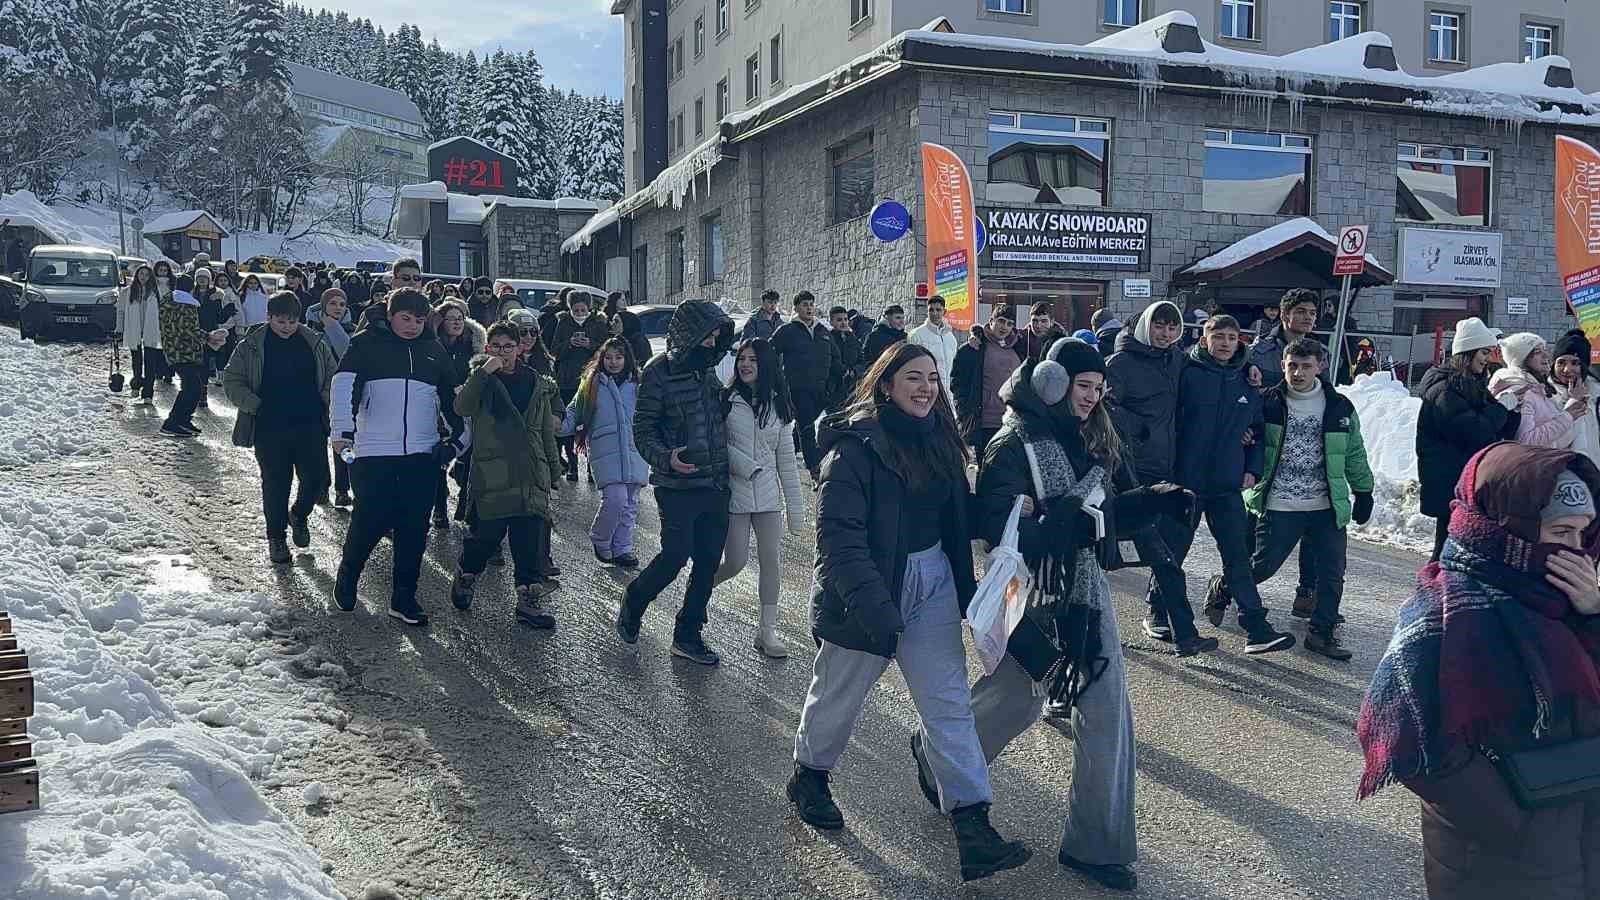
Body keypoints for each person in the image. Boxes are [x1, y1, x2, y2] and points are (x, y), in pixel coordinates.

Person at [954, 339, 1194, 892]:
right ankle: (937, 759)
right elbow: (1003, 529)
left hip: (1085, 596)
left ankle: (1095, 845)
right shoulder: (1011, 444)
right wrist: (1065, 522)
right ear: (1052, 383)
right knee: (1013, 698)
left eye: (1097, 389)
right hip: (1034, 594)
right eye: (1082, 387)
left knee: (1106, 710)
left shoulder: (1088, 440)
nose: (1090, 398)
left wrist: (1154, 499)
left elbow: (1098, 519)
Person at [787, 342, 1031, 883]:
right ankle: (810, 777)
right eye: (914, 378)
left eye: (933, 379)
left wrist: (1013, 511)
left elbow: (957, 519)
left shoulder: (941, 442)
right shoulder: (852, 451)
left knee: (948, 706)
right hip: (866, 591)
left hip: (933, 584)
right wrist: (878, 611)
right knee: (838, 696)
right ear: (886, 385)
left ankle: (973, 826)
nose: (926, 388)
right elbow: (839, 542)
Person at [1357, 441, 1600, 900]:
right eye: (1561, 531)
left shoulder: (1569, 600)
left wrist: (1593, 616)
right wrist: (1517, 823)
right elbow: (1406, 741)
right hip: (1500, 859)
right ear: (1508, 530)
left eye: (1583, 534)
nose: (1578, 551)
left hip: (1584, 836)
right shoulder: (1444, 611)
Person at [1207, 338, 1375, 660]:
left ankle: (1321, 633)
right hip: (1280, 502)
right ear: (1283, 365)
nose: (1298, 373)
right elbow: (1241, 432)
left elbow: (1353, 453)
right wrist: (1243, 438)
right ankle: (1225, 585)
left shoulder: (1339, 407)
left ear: (1320, 367)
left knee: (1331, 573)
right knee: (1262, 566)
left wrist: (1363, 490)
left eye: (1306, 366)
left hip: (1325, 505)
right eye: (1292, 366)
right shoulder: (1267, 402)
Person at [330, 286, 464, 626]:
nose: (411, 326)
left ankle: (403, 598)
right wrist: (342, 433)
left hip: (421, 453)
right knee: (369, 521)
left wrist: (456, 444)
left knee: (413, 529)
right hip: (373, 451)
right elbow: (343, 385)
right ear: (390, 316)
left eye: (419, 320)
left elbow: (457, 402)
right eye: (405, 318)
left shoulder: (433, 351)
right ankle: (348, 575)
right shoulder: (365, 344)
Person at [615, 300, 735, 664]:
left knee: (708, 561)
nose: (714, 344)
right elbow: (643, 429)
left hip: (715, 482)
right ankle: (635, 599)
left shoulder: (708, 372)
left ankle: (688, 634)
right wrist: (667, 458)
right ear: (691, 335)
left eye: (718, 337)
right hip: (677, 486)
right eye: (709, 336)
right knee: (674, 556)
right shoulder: (658, 372)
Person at [1179, 315, 1296, 653]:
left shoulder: (1247, 380)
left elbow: (1257, 431)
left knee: (1237, 556)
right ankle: (1160, 611)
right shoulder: (1188, 373)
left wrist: (1253, 468)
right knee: (1175, 551)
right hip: (1186, 482)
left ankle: (1256, 626)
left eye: (1232, 337)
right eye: (1218, 336)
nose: (1225, 343)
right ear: (1204, 340)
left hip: (1227, 483)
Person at [1105, 300, 1215, 656]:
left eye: (1172, 328)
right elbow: (1104, 405)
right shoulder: (1121, 362)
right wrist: (1140, 428)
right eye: (1159, 327)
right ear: (1145, 327)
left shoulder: (1176, 360)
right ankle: (1176, 631)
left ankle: (1182, 633)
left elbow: (1209, 365)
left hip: (1166, 468)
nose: (1165, 334)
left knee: (1166, 554)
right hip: (1132, 473)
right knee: (1153, 555)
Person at [447, 322, 563, 628]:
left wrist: (553, 470)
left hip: (530, 470)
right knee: (486, 537)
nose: (503, 352)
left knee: (530, 539)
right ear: (488, 349)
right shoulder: (481, 380)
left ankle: (528, 600)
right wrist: (484, 371)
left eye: (508, 346)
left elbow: (543, 431)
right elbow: (461, 407)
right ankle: (467, 574)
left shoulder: (534, 381)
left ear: (519, 348)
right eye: (496, 346)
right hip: (494, 471)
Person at [222, 291, 338, 565]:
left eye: (292, 321)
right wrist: (256, 405)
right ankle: (276, 537)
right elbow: (232, 380)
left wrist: (327, 401)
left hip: (310, 422)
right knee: (276, 482)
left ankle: (298, 514)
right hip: (269, 425)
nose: (287, 327)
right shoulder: (252, 345)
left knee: (316, 478)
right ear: (269, 317)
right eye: (281, 321)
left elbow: (333, 375)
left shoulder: (314, 342)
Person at [712, 338, 806, 658]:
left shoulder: (779, 406)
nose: (745, 364)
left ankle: (767, 632)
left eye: (752, 359)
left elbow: (786, 462)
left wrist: (796, 512)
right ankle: (698, 594)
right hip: (735, 495)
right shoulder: (725, 400)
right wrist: (744, 466)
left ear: (765, 365)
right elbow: (716, 446)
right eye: (741, 358)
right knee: (735, 562)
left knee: (771, 562)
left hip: (768, 499)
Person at [1417, 317, 1522, 562]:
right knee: (1447, 548)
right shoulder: (1444, 389)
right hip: (1449, 481)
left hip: (1465, 478)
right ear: (1467, 353)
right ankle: (1432, 593)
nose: (1488, 358)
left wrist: (1513, 411)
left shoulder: (1472, 384)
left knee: (1456, 547)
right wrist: (1501, 409)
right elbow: (1474, 431)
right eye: (1484, 352)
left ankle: (1441, 591)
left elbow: (1496, 428)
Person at [562, 337, 648, 568]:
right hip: (605, 449)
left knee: (629, 504)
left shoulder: (639, 384)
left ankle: (622, 549)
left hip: (634, 450)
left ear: (627, 358)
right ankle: (601, 538)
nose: (613, 362)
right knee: (615, 499)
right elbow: (574, 412)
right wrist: (557, 424)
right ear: (601, 358)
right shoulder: (591, 385)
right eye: (608, 357)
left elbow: (653, 414)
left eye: (618, 357)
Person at [771, 290, 841, 482]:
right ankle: (815, 469)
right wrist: (778, 380)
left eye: (811, 304)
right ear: (796, 308)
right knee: (807, 427)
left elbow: (835, 359)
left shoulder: (823, 331)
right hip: (798, 389)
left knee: (804, 426)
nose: (809, 308)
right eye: (804, 305)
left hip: (822, 390)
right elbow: (769, 353)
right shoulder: (787, 331)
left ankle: (782, 452)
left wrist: (833, 385)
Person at [432, 299, 486, 527]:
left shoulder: (471, 346)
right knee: (440, 461)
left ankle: (464, 501)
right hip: (439, 407)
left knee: (469, 456)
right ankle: (440, 510)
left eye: (460, 318)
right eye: (451, 319)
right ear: (441, 322)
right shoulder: (434, 346)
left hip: (467, 407)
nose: (456, 323)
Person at [157, 274, 227, 437]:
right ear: (191, 288)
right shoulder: (185, 305)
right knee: (192, 387)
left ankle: (182, 420)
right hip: (185, 351)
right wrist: (209, 337)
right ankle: (173, 422)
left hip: (173, 349)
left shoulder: (169, 301)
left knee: (191, 386)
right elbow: (188, 329)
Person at [1489, 332, 1584, 450]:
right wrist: (1568, 415)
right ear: (1522, 359)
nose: (1546, 355)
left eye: (1544, 349)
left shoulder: (1537, 388)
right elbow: (1526, 441)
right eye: (1537, 352)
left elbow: (1555, 439)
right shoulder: (1520, 392)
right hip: (1530, 466)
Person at [551, 293, 611, 482]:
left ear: (589, 308)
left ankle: (593, 468)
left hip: (592, 380)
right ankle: (573, 466)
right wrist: (569, 344)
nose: (579, 313)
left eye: (582, 310)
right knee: (570, 424)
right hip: (568, 381)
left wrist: (589, 345)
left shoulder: (598, 324)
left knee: (592, 423)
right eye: (575, 310)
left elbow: (606, 350)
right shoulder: (563, 323)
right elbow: (554, 351)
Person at [951, 306, 1025, 457]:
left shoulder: (1018, 349)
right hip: (985, 423)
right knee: (985, 470)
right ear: (991, 321)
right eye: (1001, 321)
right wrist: (964, 412)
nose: (1004, 327)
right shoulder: (974, 348)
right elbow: (958, 383)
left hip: (1012, 422)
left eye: (1010, 324)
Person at [117, 263, 165, 406]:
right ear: (137, 275)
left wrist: (163, 329)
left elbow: (163, 313)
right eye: (141, 274)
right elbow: (120, 312)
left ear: (150, 277)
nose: (143, 277)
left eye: (146, 274)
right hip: (134, 330)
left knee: (150, 363)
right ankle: (137, 383)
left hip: (151, 330)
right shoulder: (127, 292)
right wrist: (119, 329)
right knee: (136, 361)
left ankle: (148, 393)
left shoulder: (156, 292)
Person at [1251, 289, 1319, 388]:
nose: (1308, 317)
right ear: (1284, 315)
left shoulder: (1321, 352)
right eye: (1301, 312)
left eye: (1312, 313)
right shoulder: (1257, 352)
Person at [1551, 329, 1600, 469]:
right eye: (1561, 363)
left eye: (1575, 363)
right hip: (1561, 477)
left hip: (1594, 473)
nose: (1567, 369)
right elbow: (1553, 441)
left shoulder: (1596, 394)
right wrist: (1572, 401)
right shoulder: (1544, 394)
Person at [908, 295, 959, 406]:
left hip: (948, 395)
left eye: (938, 310)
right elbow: (911, 366)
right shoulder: (916, 335)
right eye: (931, 310)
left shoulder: (950, 337)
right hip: (926, 392)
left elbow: (953, 367)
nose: (934, 313)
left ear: (944, 311)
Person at [826, 305, 862, 402]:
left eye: (845, 319)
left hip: (852, 389)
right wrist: (843, 370)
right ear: (831, 322)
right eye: (839, 320)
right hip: (833, 390)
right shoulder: (827, 339)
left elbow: (862, 360)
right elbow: (827, 361)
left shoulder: (853, 339)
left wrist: (855, 371)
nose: (843, 323)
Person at [603, 291, 649, 364]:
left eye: (625, 299)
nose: (625, 302)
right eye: (622, 300)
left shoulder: (637, 340)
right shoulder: (605, 317)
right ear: (615, 301)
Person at [860, 303, 908, 369]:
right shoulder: (874, 336)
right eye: (898, 318)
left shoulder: (904, 336)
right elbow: (866, 360)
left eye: (903, 318)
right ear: (887, 318)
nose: (901, 321)